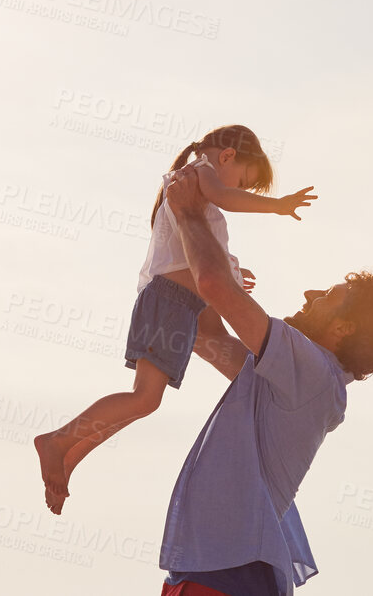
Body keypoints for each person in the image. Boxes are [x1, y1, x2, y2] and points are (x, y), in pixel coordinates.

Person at [156, 161, 373, 596]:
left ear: (343, 329)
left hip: (227, 577)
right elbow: (207, 333)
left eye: (329, 296)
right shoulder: (293, 381)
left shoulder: (311, 369)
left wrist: (188, 214)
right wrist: (193, 246)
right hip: (218, 572)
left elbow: (216, 289)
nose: (311, 295)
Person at [34, 125, 316, 515]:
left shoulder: (196, 187)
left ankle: (68, 456)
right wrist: (278, 205)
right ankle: (58, 442)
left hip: (181, 306)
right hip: (169, 302)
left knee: (144, 401)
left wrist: (232, 273)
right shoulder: (199, 172)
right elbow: (224, 199)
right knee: (144, 398)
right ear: (228, 156)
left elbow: (192, 251)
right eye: (246, 182)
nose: (242, 192)